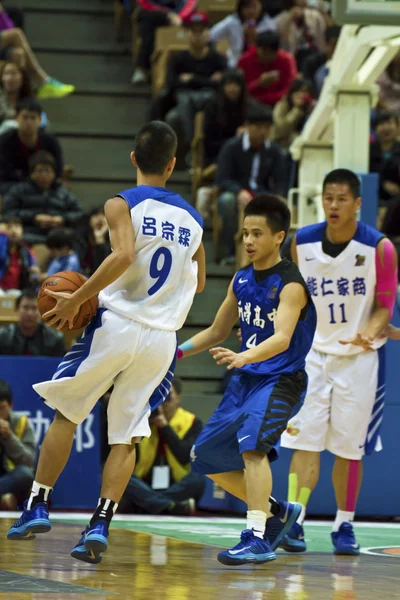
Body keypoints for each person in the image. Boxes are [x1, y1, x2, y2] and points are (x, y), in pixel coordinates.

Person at [6, 121, 206, 566]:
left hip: (116, 324)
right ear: (173, 165)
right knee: (127, 435)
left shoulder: (122, 204)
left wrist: (76, 298)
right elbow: (201, 279)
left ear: (134, 158)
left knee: (67, 413)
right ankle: (99, 522)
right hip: (161, 340)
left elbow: (123, 255)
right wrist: (165, 308)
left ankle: (38, 505)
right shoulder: (193, 220)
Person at [178, 194, 316, 565]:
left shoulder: (290, 284)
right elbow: (217, 330)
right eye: (245, 234)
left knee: (253, 449)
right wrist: (174, 353)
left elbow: (282, 337)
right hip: (246, 380)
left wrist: (243, 356)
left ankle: (256, 535)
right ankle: (277, 512)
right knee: (204, 456)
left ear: (279, 237)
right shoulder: (240, 280)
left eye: (257, 233)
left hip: (280, 379)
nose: (250, 241)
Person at [280, 169, 398, 555]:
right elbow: (292, 296)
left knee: (349, 450)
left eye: (341, 198)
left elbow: (384, 306)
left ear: (358, 203)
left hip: (358, 359)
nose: (333, 205)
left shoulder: (380, 249)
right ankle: (294, 522)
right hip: (311, 357)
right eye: (328, 197)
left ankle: (344, 525)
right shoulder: (302, 242)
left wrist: (371, 330)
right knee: (306, 444)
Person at [119, 377, 205, 515]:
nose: (162, 400)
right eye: (158, 395)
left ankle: (150, 504)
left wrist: (165, 427)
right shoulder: (141, 421)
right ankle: (168, 505)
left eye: (167, 395)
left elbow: (184, 456)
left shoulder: (193, 422)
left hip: (176, 484)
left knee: (197, 480)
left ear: (178, 398)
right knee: (123, 475)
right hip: (145, 483)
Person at [217, 103, 286, 263]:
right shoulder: (232, 147)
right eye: (259, 127)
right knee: (226, 201)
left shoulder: (274, 151)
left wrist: (278, 196)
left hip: (262, 193)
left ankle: (273, 256)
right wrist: (238, 190)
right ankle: (231, 252)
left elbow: (281, 180)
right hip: (237, 192)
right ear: (248, 126)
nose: (263, 132)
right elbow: (222, 179)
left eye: (267, 128)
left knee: (282, 206)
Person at [164, 11, 227, 154]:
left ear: (208, 33)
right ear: (187, 34)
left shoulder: (217, 58)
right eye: (193, 31)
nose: (197, 35)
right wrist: (208, 80)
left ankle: (199, 152)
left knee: (209, 100)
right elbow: (172, 83)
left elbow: (223, 83)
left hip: (210, 101)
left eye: (201, 31)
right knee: (174, 115)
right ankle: (187, 150)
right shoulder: (178, 58)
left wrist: (192, 79)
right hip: (185, 98)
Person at [2, 150, 85, 245]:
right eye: (40, 171)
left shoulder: (63, 193)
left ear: (54, 174)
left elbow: (80, 214)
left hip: (58, 235)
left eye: (48, 171)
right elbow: (7, 212)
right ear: (32, 174)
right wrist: (34, 217)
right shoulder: (19, 190)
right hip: (28, 234)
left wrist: (62, 219)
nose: (44, 175)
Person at [0, 99, 63, 194]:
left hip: (45, 183)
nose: (29, 122)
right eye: (25, 118)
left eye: (33, 118)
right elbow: (4, 171)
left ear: (40, 120)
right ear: (16, 118)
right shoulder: (4, 141)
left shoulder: (51, 141)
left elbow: (58, 168)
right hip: (13, 185)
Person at [131, 0, 197, 84]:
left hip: (179, 15)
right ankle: (143, 67)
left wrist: (180, 16)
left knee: (197, 20)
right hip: (154, 12)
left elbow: (191, 2)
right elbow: (143, 2)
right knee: (150, 19)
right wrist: (167, 15)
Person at [0, 379, 36, 511]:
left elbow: (28, 460)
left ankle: (7, 499)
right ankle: (5, 499)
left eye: (1, 408)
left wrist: (9, 437)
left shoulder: (21, 422)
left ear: (10, 405)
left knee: (25, 474)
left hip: (10, 478)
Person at [238, 30, 297, 107]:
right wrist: (258, 83)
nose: (267, 57)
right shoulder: (244, 60)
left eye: (271, 54)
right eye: (264, 52)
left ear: (277, 51)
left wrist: (260, 99)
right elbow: (238, 91)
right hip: (250, 105)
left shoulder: (287, 60)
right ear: (256, 48)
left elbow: (290, 90)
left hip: (280, 105)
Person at [209, 0, 276, 68]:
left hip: (260, 65)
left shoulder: (268, 23)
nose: (251, 11)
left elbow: (271, 49)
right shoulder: (232, 21)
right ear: (240, 8)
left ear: (261, 6)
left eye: (254, 6)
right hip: (235, 64)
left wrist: (255, 37)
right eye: (247, 7)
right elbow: (210, 36)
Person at [0, 288, 65, 356]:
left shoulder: (54, 340)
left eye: (34, 308)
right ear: (16, 309)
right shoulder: (3, 337)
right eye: (26, 307)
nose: (30, 313)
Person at [272, 78, 315, 149]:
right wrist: (296, 110)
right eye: (297, 91)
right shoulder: (282, 105)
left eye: (305, 92)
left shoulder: (310, 108)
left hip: (304, 146)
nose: (301, 95)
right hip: (281, 145)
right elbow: (281, 130)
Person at [0, 216, 38, 293]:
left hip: (17, 290)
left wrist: (34, 273)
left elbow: (34, 266)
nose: (14, 231)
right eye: (10, 227)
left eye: (17, 227)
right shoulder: (1, 245)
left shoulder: (25, 250)